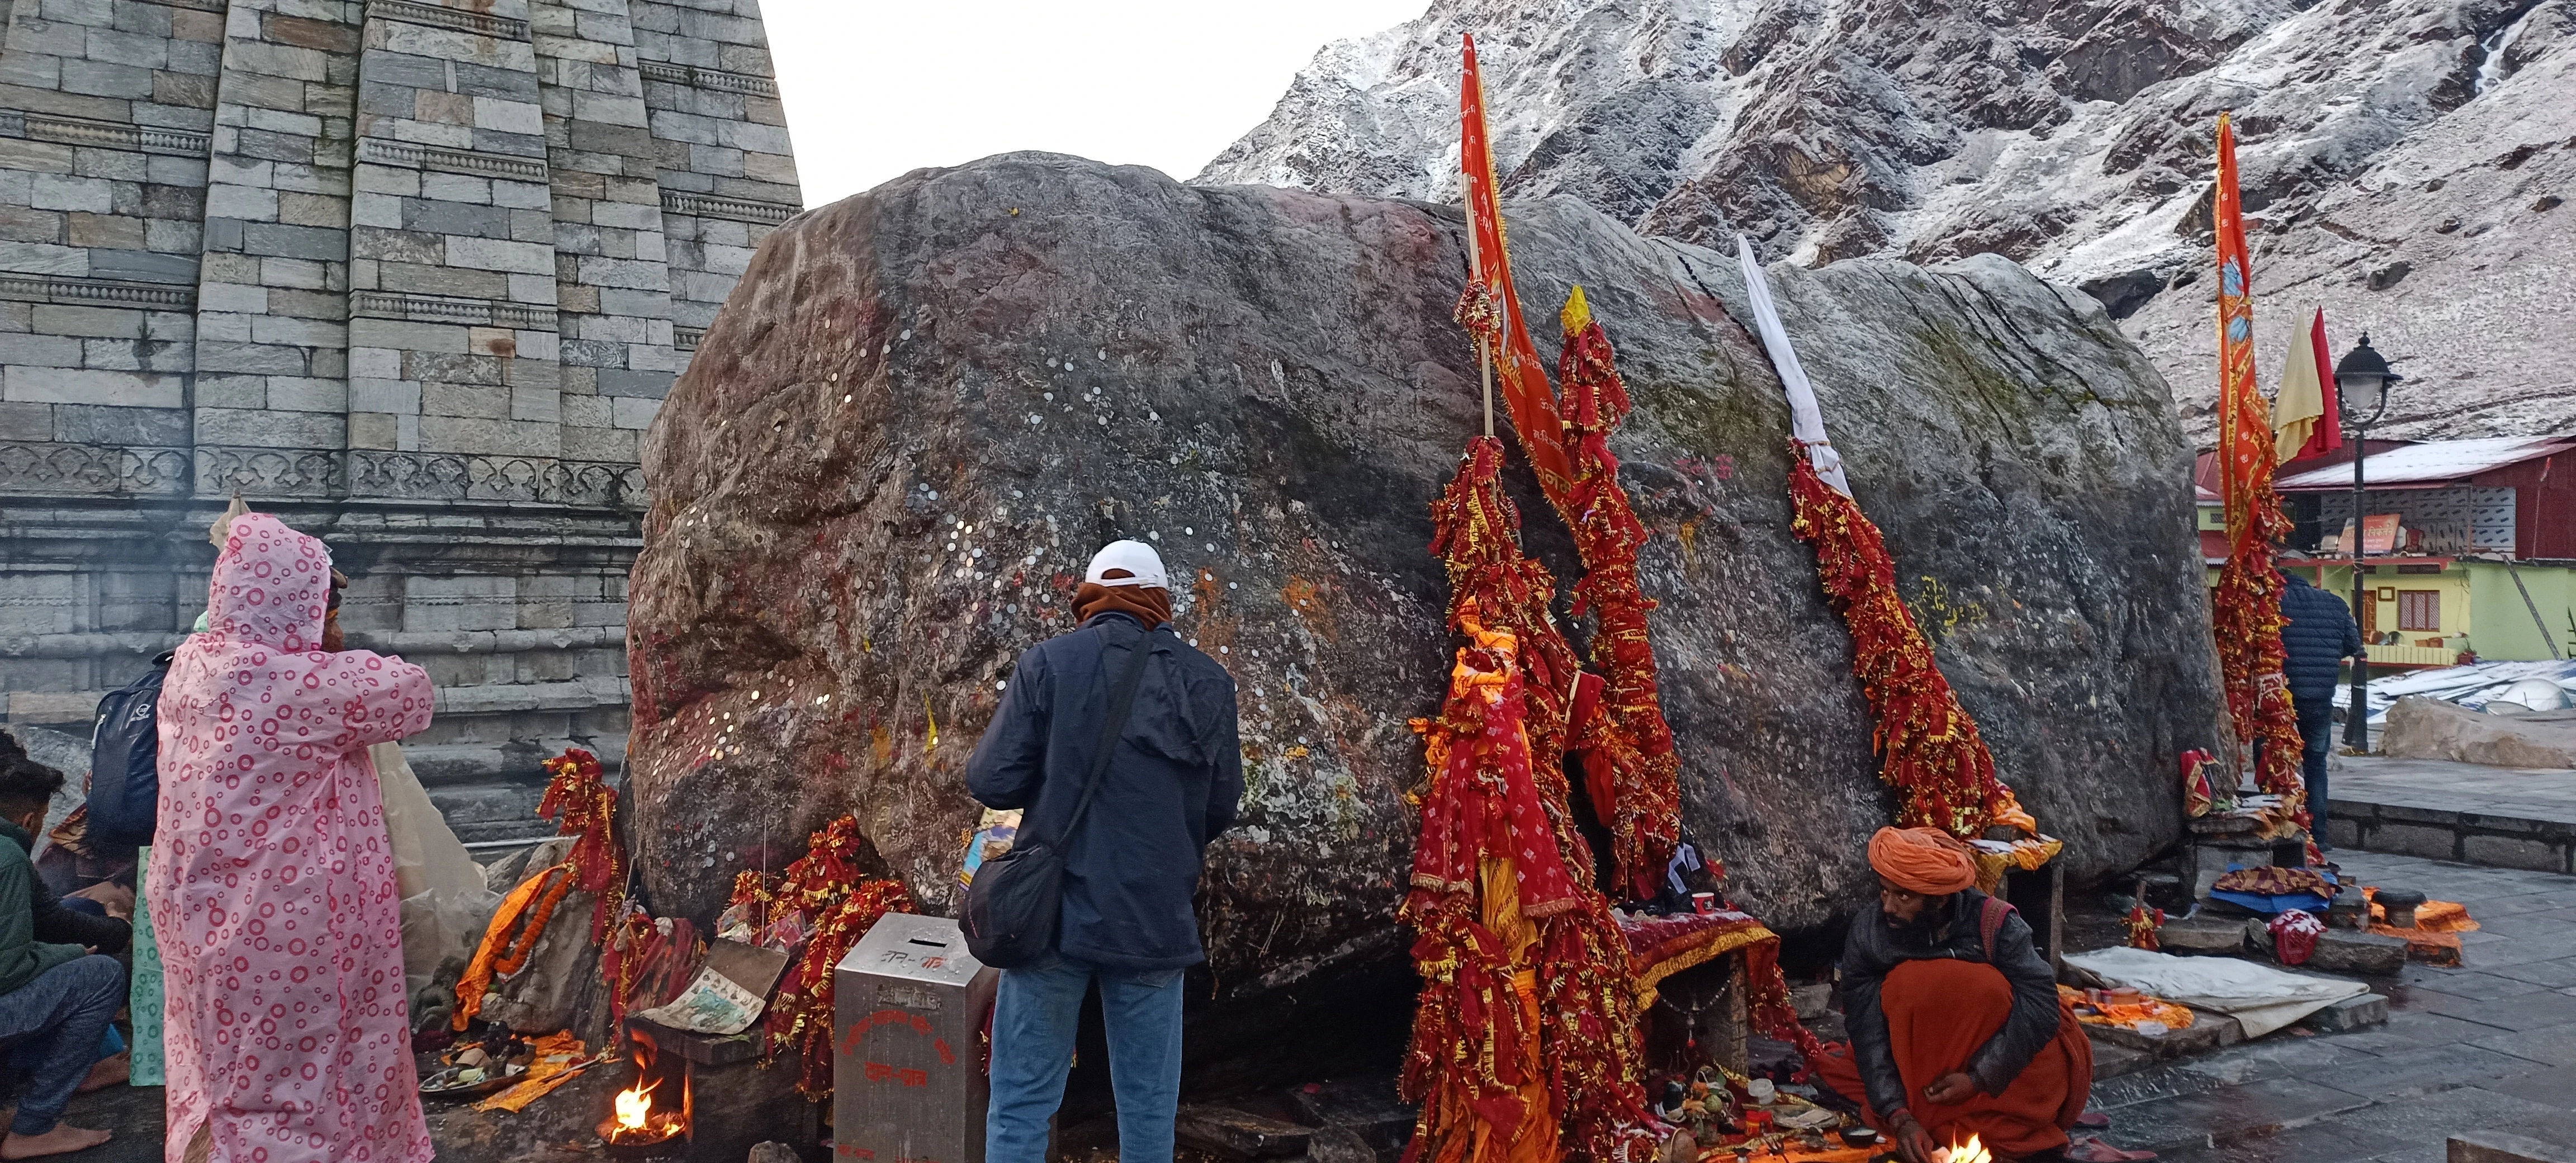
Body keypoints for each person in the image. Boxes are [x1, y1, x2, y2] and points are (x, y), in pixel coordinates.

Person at [150, 512, 436, 1162]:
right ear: (290, 606)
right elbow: (412, 693)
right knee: (294, 1094)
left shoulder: (194, 664)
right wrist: (323, 651)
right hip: (284, 932)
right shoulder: (296, 685)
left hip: (199, 918)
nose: (330, 627)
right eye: (323, 609)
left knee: (221, 1078)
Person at [966, 540, 1244, 1163]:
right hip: (1153, 919)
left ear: (1091, 598)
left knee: (1021, 1104)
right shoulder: (1209, 682)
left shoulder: (1049, 664)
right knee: (1147, 1112)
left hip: (1052, 920)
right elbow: (1223, 802)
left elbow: (990, 780)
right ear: (1160, 601)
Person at [1812, 828, 2091, 1163]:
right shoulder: (1870, 932)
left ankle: (1978, 1114)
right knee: (1906, 986)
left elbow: (2041, 1007)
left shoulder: (1996, 923)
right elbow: (1866, 1028)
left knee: (1986, 989)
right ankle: (1929, 1113)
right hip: (1922, 1062)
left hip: (2006, 1063)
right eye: (1884, 892)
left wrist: (1979, 1078)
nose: (1887, 907)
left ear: (1939, 899)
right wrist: (1899, 1116)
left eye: (1904, 897)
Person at [0, 745, 129, 1157]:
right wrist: (72, 953)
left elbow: (48, 918)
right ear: (30, 820)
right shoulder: (9, 859)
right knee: (102, 975)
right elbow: (8, 970)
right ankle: (35, 1127)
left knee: (78, 920)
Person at [2278, 569, 2362, 848]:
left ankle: (2281, 833)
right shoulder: (2335, 604)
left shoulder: (2272, 601)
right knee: (2315, 763)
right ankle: (2318, 837)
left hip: (2279, 699)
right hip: (2320, 698)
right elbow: (2354, 646)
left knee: (2275, 763)